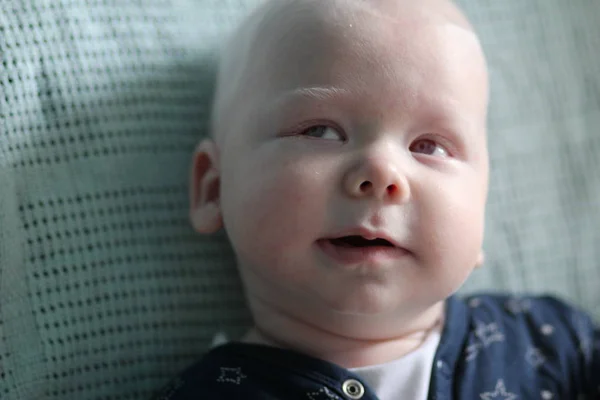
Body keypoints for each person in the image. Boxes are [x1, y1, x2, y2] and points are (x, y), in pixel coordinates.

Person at [154, 0, 600, 398]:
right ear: (213, 188)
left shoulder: (552, 343)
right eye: (321, 131)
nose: (382, 172)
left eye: (429, 146)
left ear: (480, 207)